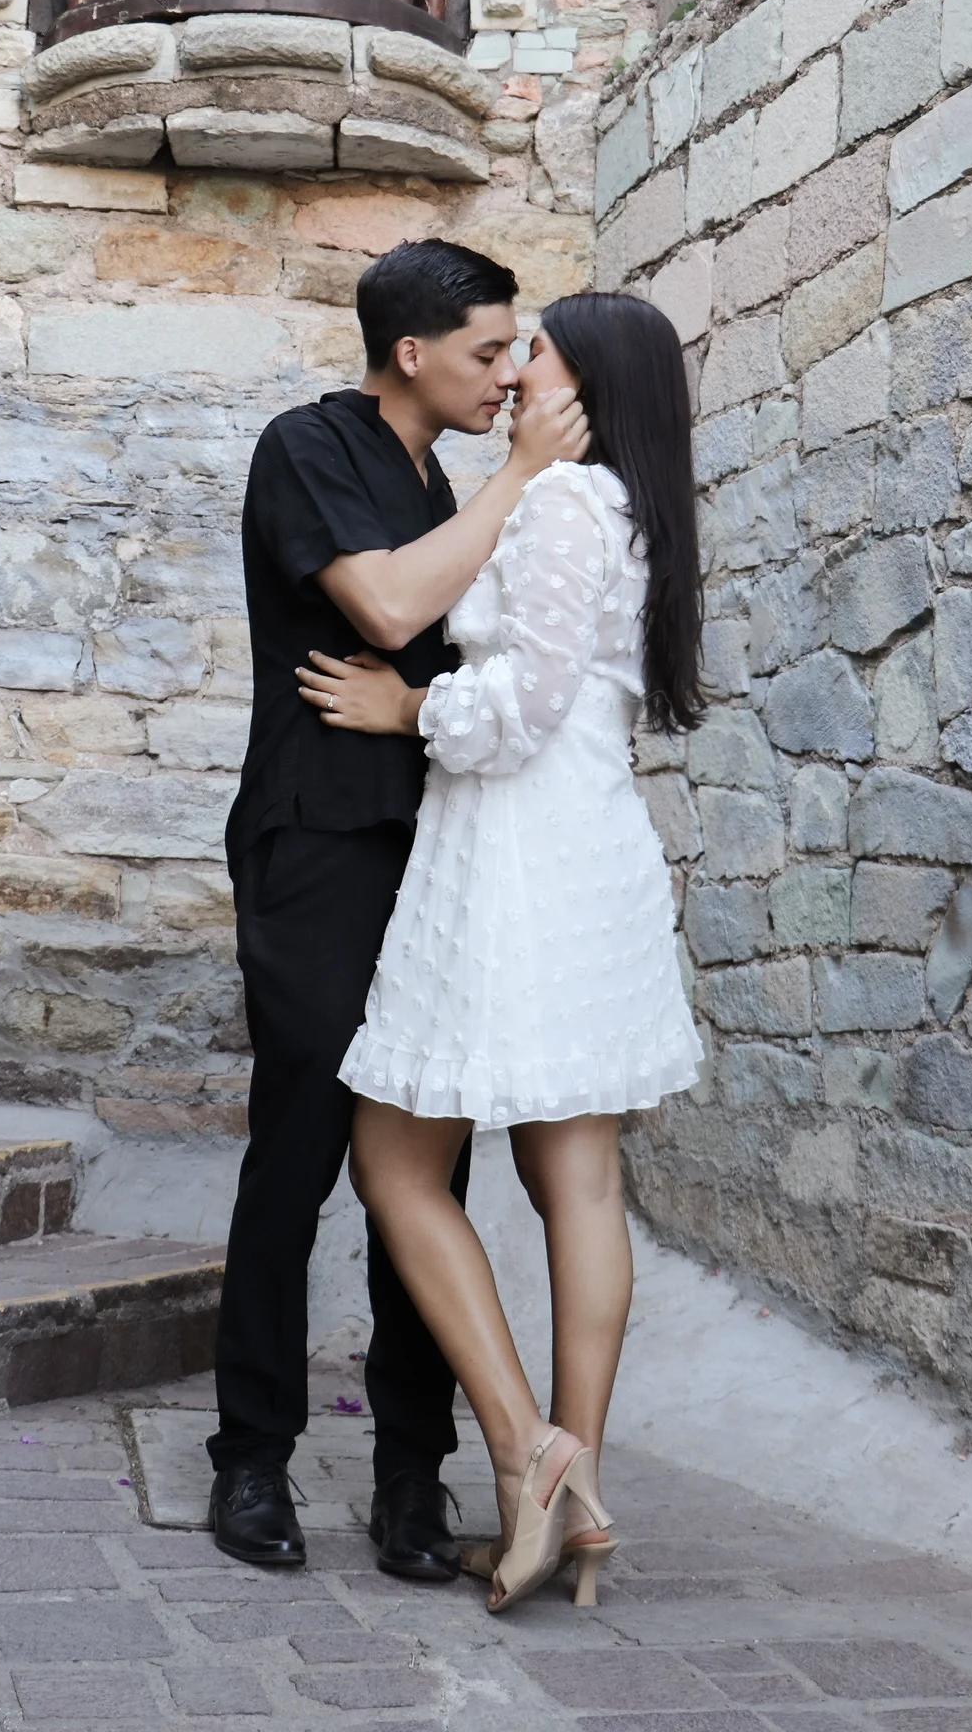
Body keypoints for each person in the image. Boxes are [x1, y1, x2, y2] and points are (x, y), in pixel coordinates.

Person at [318, 290, 705, 1614]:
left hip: (519, 854)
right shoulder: (635, 508)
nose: (515, 368)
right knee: (579, 1176)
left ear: (585, 384)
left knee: (391, 1153)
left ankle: (532, 1454)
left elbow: (527, 700)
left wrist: (407, 703)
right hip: (592, 848)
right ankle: (578, 1505)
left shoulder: (560, 505)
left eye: (532, 351)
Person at [208, 240, 590, 1577]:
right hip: (317, 843)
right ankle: (249, 1462)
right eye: (490, 351)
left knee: (427, 1167)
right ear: (412, 352)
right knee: (303, 1149)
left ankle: (409, 1481)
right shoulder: (305, 446)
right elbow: (381, 601)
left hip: (438, 851)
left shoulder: (452, 476)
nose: (510, 374)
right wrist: (524, 474)